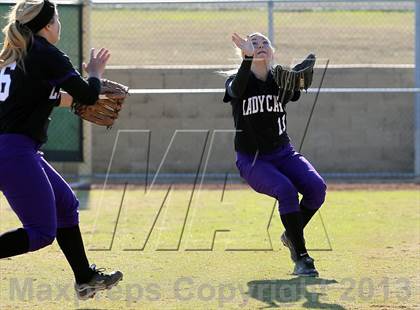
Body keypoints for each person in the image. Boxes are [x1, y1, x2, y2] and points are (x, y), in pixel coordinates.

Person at [0, 0, 122, 299]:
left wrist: (72, 96)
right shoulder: (46, 54)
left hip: (14, 148)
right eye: (56, 19)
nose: (59, 24)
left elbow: (40, 98)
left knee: (65, 204)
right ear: (47, 25)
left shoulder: (17, 55)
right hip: (13, 150)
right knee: (41, 232)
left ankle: (85, 278)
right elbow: (89, 95)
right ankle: (85, 277)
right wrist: (93, 73)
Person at [223, 32, 327, 277]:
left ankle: (291, 234)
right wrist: (247, 60)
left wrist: (296, 79)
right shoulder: (236, 79)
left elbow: (294, 92)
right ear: (244, 52)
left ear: (273, 51)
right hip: (252, 160)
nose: (260, 45)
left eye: (264, 43)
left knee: (316, 188)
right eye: (254, 43)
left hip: (284, 152)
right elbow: (236, 91)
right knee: (286, 190)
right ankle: (302, 258)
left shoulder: (280, 79)